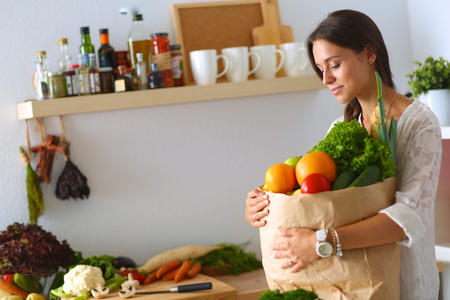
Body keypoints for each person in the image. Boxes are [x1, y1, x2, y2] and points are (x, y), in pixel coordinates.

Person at [245, 9, 442, 300]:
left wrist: (321, 241)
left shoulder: (419, 122)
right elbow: (318, 198)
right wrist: (265, 203)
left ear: (369, 53)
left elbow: (409, 218)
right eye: (320, 68)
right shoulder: (340, 129)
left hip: (403, 286)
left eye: (334, 64)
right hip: (349, 285)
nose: (326, 78)